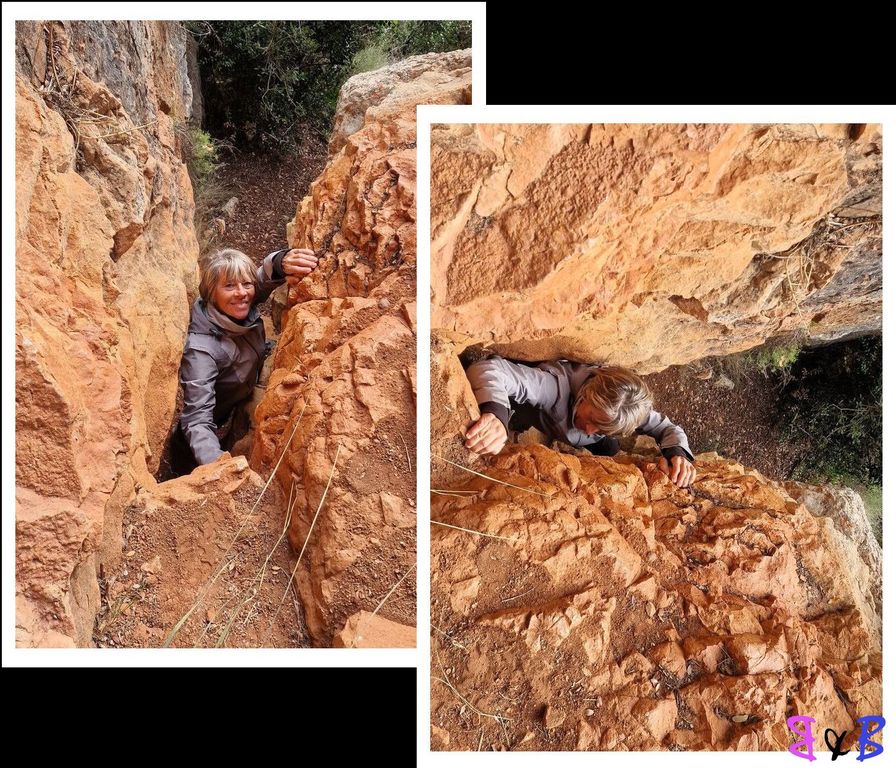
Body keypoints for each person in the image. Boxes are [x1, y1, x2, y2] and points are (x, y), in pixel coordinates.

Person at [174, 246, 318, 470]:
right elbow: (197, 419)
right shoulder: (201, 351)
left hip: (236, 402)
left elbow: (261, 278)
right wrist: (218, 465)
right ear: (211, 293)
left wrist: (281, 261)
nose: (241, 293)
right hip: (204, 432)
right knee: (186, 464)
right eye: (229, 286)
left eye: (246, 284)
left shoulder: (236, 303)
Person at [463, 356, 697, 487]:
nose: (590, 430)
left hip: (572, 432)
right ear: (586, 395)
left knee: (609, 448)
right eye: (593, 419)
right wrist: (496, 414)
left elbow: (667, 427)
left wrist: (678, 454)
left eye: (603, 428)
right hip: (540, 416)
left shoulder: (627, 408)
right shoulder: (553, 387)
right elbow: (488, 368)